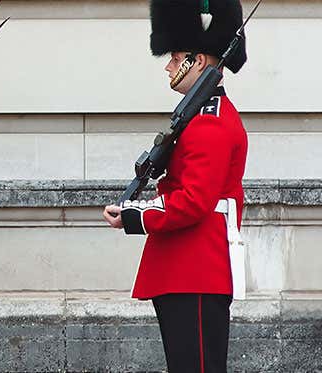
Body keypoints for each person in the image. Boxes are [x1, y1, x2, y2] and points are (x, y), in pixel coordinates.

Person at [102, 0, 249, 371]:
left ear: (198, 60)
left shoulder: (209, 122)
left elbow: (194, 202)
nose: (168, 65)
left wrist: (134, 216)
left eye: (175, 55)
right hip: (186, 268)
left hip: (195, 269)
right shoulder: (197, 117)